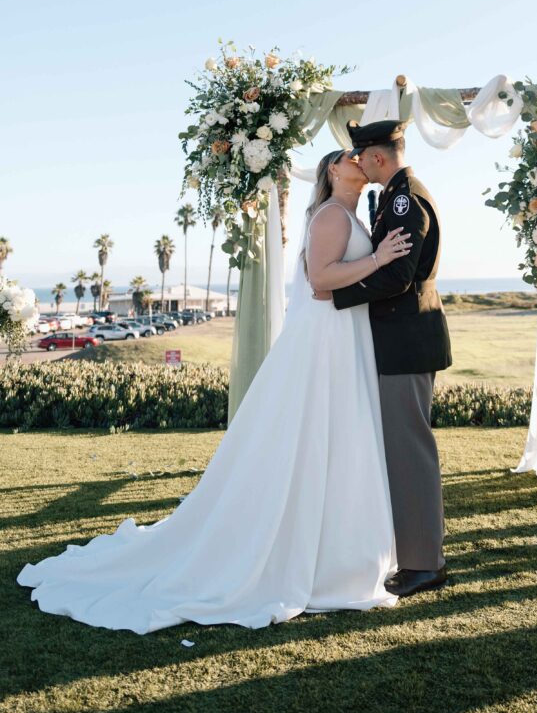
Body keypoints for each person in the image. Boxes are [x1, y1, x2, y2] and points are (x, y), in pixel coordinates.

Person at [16, 151, 412, 633]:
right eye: (350, 157)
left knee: (336, 441)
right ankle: (313, 556)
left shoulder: (353, 214)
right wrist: (378, 258)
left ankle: (336, 551)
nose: (360, 161)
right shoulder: (331, 215)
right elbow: (321, 283)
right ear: (333, 171)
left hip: (343, 340)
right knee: (313, 435)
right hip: (325, 343)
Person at [329, 119, 452, 598]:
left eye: (361, 156)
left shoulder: (405, 199)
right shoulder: (396, 195)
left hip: (405, 341)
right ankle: (415, 555)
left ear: (377, 157)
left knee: (409, 452)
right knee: (400, 450)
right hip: (401, 339)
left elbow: (399, 275)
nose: (357, 163)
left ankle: (425, 564)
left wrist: (333, 296)